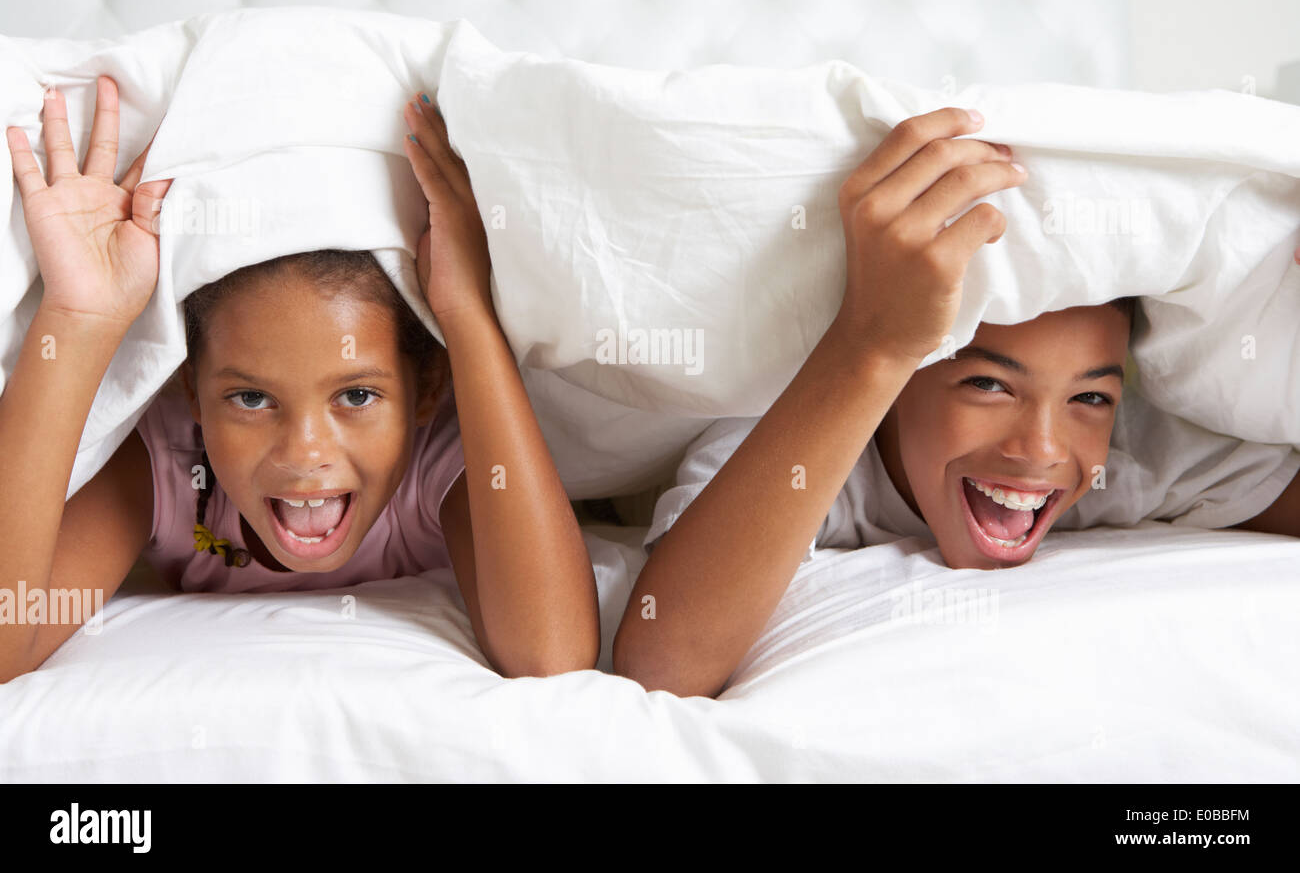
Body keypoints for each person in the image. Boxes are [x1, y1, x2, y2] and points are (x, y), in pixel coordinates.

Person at [612, 107, 1300, 698]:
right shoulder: (794, 447)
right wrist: (872, 344)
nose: (1042, 449)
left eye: (1090, 395)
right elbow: (663, 659)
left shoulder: (1120, 461)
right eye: (988, 385)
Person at [0, 77, 599, 682]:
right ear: (191, 392)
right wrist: (77, 320)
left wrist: (468, 309)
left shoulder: (437, 461)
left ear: (429, 388)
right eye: (252, 397)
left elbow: (552, 657)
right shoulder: (168, 462)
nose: (305, 452)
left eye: (356, 395)